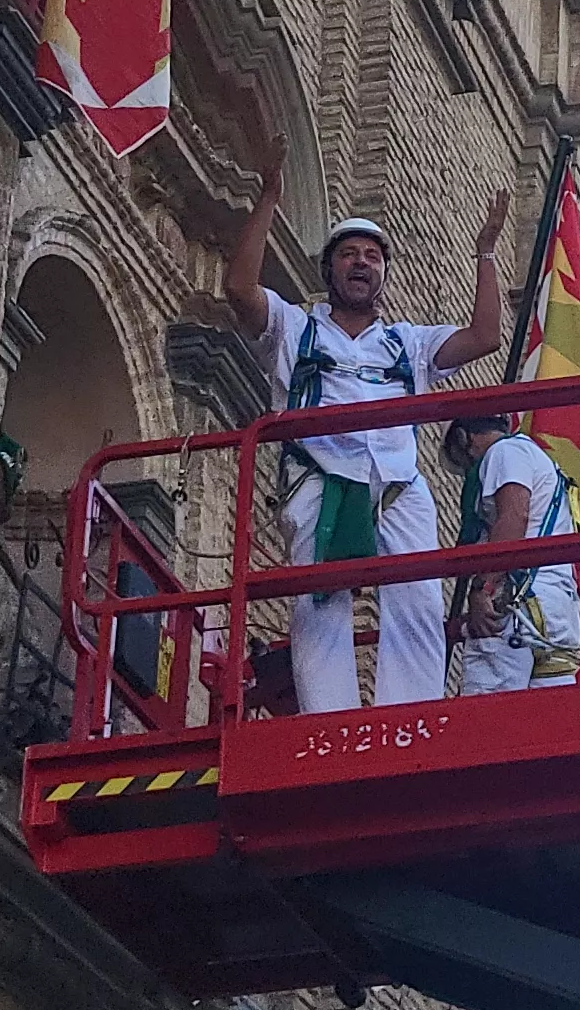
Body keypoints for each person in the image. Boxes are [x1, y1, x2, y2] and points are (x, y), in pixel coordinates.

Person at [216, 195, 511, 712]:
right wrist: (269, 195)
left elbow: (485, 337)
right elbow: (239, 287)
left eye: (372, 256)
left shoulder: (407, 344)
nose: (360, 262)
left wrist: (486, 253)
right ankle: (329, 720)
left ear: (383, 274)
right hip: (319, 483)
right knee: (320, 604)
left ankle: (412, 716)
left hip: (398, 489)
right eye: (349, 253)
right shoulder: (294, 328)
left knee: (417, 602)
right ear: (329, 269)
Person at [445, 406, 580, 695]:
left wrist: (484, 589)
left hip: (517, 605)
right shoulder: (542, 463)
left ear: (464, 437)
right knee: (544, 724)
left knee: (489, 717)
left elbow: (512, 517)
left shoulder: (505, 452)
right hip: (557, 612)